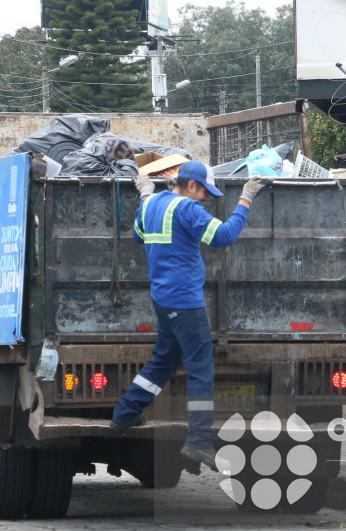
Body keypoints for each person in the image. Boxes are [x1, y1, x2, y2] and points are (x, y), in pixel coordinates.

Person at [110, 161, 266, 471]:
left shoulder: (152, 204)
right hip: (185, 301)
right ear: (191, 185)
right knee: (200, 368)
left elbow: (139, 235)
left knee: (165, 360)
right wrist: (246, 198)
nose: (208, 198)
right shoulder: (188, 209)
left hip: (163, 299)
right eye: (206, 192)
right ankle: (198, 440)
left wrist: (144, 194)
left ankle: (126, 413)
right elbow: (223, 236)